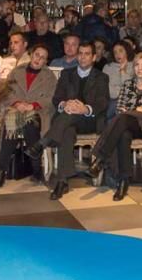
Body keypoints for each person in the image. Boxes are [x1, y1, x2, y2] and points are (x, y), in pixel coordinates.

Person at [26, 42, 109, 200]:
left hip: (88, 120)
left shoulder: (101, 77)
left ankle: (43, 142)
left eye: (87, 54)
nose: (83, 57)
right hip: (67, 120)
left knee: (69, 118)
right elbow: (57, 98)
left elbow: (102, 102)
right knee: (67, 131)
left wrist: (85, 108)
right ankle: (62, 181)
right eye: (81, 53)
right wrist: (66, 105)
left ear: (94, 57)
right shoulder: (66, 73)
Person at [88, 53, 142, 201]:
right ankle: (123, 181)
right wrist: (137, 110)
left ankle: (100, 158)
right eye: (136, 65)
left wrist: (135, 111)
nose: (139, 68)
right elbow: (119, 108)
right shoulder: (127, 85)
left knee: (123, 118)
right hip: (126, 124)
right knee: (123, 134)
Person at [0, 44, 56, 188]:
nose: (38, 59)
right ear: (31, 55)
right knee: (11, 121)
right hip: (15, 110)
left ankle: (35, 169)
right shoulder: (17, 71)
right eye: (36, 55)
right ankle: (2, 171)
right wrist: (16, 103)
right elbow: (5, 92)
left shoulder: (49, 76)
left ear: (46, 62)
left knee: (30, 124)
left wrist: (32, 105)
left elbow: (51, 98)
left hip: (37, 113)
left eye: (43, 58)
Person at [103, 41, 135, 119]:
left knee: (113, 112)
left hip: (125, 100)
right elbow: (104, 86)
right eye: (115, 52)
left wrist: (123, 71)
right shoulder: (108, 67)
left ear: (127, 51)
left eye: (121, 51)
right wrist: (119, 91)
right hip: (108, 98)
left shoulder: (134, 66)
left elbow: (129, 88)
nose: (118, 54)